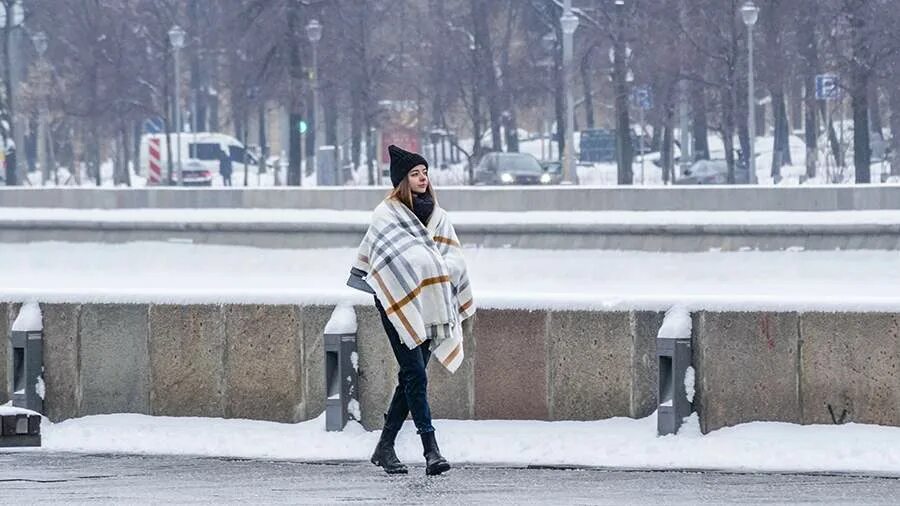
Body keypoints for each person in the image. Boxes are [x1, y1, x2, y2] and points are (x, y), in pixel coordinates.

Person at [347, 144, 475, 476]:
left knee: (410, 377)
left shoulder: (439, 216)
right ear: (403, 180)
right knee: (416, 374)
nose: (422, 179)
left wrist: (436, 268)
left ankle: (384, 448)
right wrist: (427, 265)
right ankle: (431, 450)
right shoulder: (386, 214)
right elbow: (388, 261)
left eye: (425, 173)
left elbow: (453, 258)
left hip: (432, 301)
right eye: (415, 174)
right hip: (395, 301)